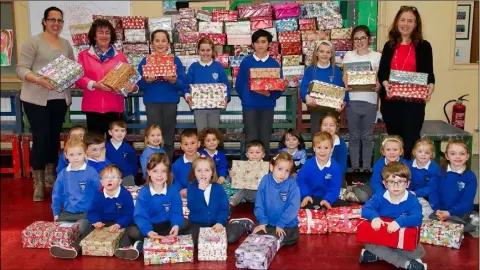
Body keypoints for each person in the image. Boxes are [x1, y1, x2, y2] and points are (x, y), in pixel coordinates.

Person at [17, 6, 74, 201]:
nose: (56, 24)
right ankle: (38, 182)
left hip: (58, 98)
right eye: (52, 20)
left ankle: (51, 174)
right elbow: (21, 69)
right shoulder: (33, 42)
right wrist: (39, 80)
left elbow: (72, 67)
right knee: (40, 137)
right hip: (36, 98)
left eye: (59, 20)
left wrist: (72, 77)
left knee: (52, 136)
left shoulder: (66, 44)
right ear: (44, 21)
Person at [377, 6, 435, 159]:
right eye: (402, 20)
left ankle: (409, 177)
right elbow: (382, 72)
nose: (406, 24)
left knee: (410, 142)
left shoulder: (424, 46)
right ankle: (394, 178)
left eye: (410, 21)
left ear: (416, 24)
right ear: (397, 22)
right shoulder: (389, 46)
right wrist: (384, 83)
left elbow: (429, 74)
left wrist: (431, 86)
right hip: (391, 103)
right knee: (394, 144)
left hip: (413, 104)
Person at [51, 165, 135, 259]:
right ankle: (74, 248)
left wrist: (119, 224)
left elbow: (130, 214)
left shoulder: (125, 195)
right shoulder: (99, 195)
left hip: (120, 222)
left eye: (113, 177)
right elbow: (93, 211)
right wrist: (96, 221)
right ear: (102, 182)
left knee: (127, 232)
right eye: (106, 178)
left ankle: (124, 249)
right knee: (87, 230)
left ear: (120, 181)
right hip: (103, 221)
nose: (109, 180)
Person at [76, 18, 138, 138]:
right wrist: (94, 84)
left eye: (107, 32)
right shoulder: (83, 55)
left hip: (114, 107)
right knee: (94, 144)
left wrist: (133, 87)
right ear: (94, 36)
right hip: (92, 107)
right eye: (100, 32)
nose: (104, 35)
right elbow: (78, 78)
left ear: (111, 36)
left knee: (114, 143)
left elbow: (130, 80)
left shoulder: (120, 57)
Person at [360, 162, 426, 270]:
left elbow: (418, 218)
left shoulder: (411, 200)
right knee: (369, 244)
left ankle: (377, 255)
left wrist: (399, 222)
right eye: (391, 182)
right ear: (385, 184)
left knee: (419, 252)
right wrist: (374, 217)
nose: (396, 186)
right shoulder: (379, 196)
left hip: (400, 237)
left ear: (407, 184)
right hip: (381, 237)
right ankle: (405, 264)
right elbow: (366, 209)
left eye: (400, 182)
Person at [137, 29, 188, 160]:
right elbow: (137, 84)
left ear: (168, 43)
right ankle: (153, 164)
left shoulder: (174, 60)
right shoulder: (146, 60)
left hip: (170, 102)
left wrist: (173, 80)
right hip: (152, 102)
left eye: (163, 40)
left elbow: (182, 83)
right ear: (151, 44)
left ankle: (168, 165)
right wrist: (146, 81)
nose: (160, 44)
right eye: (157, 40)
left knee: (168, 136)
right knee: (153, 136)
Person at [126, 153, 188, 255]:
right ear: (149, 172)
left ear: (168, 173)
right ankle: (147, 241)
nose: (159, 175)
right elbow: (140, 216)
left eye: (163, 171)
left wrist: (175, 225)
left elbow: (176, 212)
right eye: (155, 171)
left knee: (186, 223)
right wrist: (148, 231)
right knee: (132, 231)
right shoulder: (144, 193)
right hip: (150, 226)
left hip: (167, 226)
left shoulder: (173, 191)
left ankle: (149, 243)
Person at [235, 29, 284, 159]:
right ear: (253, 44)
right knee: (251, 138)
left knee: (265, 138)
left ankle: (266, 170)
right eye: (257, 42)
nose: (260, 45)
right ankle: (249, 171)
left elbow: (279, 86)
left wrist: (270, 96)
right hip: (249, 106)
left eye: (263, 42)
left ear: (269, 44)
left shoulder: (274, 64)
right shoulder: (246, 62)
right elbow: (239, 84)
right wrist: (246, 97)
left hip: (267, 106)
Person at [49, 137, 101, 258]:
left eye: (79, 153)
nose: (76, 157)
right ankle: (63, 246)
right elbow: (56, 195)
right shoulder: (63, 174)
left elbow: (101, 191)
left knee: (82, 228)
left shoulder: (91, 172)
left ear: (85, 154)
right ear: (66, 156)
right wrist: (56, 213)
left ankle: (74, 248)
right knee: (60, 230)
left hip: (86, 213)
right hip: (67, 213)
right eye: (72, 154)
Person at [342, 25, 382, 174]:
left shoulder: (376, 56)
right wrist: (347, 84)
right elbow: (345, 76)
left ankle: (366, 167)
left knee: (366, 136)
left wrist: (377, 85)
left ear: (369, 39)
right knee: (353, 136)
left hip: (370, 100)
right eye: (356, 38)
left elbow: (378, 78)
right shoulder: (349, 55)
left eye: (362, 38)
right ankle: (355, 167)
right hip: (352, 100)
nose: (359, 41)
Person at [186, 156, 252, 244]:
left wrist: (220, 222)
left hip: (216, 224)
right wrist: (200, 191)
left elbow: (224, 209)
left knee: (230, 238)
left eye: (207, 170)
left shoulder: (218, 188)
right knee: (192, 241)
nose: (203, 174)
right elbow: (193, 207)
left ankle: (238, 225)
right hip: (197, 224)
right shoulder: (191, 188)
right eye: (199, 171)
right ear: (194, 173)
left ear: (212, 172)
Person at [300, 40, 346, 139]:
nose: (324, 54)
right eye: (321, 51)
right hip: (316, 110)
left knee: (332, 138)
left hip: (332, 111)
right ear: (316, 53)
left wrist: (343, 102)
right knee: (317, 137)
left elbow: (342, 89)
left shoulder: (336, 70)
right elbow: (303, 87)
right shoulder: (310, 70)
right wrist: (306, 97)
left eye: (328, 52)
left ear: (331, 54)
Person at [252, 152, 300, 247]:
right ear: (271, 167)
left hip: (286, 225)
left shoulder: (292, 184)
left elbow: (294, 207)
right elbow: (259, 203)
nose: (283, 174)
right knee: (257, 235)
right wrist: (262, 221)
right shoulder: (265, 180)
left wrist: (281, 223)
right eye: (280, 169)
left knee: (276, 239)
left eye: (287, 171)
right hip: (268, 222)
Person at [428, 139, 477, 232]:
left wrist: (449, 212)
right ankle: (456, 225)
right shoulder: (439, 172)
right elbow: (433, 192)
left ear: (467, 156)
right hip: (441, 210)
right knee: (428, 218)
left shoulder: (470, 177)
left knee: (455, 220)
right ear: (447, 156)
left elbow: (466, 202)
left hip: (460, 212)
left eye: (462, 154)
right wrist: (437, 209)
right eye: (453, 153)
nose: (457, 157)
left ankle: (463, 224)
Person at [186, 38, 231, 132]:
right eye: (202, 50)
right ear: (198, 51)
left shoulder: (218, 66)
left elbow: (225, 85)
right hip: (199, 107)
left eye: (208, 50)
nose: (205, 53)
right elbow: (186, 85)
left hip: (215, 107)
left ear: (212, 51)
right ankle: (202, 147)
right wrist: (187, 95)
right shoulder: (194, 67)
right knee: (201, 133)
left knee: (214, 133)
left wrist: (226, 97)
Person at [347, 135, 408, 203]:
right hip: (379, 188)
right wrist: (383, 194)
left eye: (395, 150)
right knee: (364, 196)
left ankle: (354, 196)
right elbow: (376, 182)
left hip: (397, 190)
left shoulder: (405, 165)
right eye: (388, 149)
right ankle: (354, 188)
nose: (391, 152)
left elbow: (407, 181)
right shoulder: (379, 164)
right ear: (383, 152)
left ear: (401, 151)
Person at [297, 132, 349, 210]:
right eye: (319, 147)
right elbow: (301, 181)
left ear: (331, 149)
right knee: (298, 206)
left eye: (326, 148)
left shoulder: (335, 167)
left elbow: (335, 187)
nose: (322, 151)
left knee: (344, 206)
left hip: (328, 199)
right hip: (310, 198)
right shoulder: (308, 165)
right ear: (314, 148)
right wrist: (305, 195)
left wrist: (328, 199)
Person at [229, 140, 266, 207]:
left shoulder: (266, 167)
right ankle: (232, 202)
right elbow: (236, 183)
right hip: (245, 194)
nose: (254, 155)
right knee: (244, 188)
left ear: (263, 155)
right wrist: (232, 176)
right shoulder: (241, 167)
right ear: (247, 155)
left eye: (257, 152)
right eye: (251, 152)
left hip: (259, 195)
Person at [106, 120, 138, 186]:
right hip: (109, 179)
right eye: (116, 130)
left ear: (126, 132)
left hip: (127, 179)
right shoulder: (105, 147)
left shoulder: (129, 149)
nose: (120, 133)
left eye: (122, 131)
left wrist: (132, 178)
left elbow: (133, 165)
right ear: (110, 132)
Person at [172, 129, 200, 198]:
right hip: (185, 197)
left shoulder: (205, 161)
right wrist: (180, 190)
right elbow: (174, 181)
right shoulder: (177, 165)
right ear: (181, 146)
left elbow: (212, 179)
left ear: (198, 144)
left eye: (192, 143)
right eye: (186, 144)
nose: (189, 147)